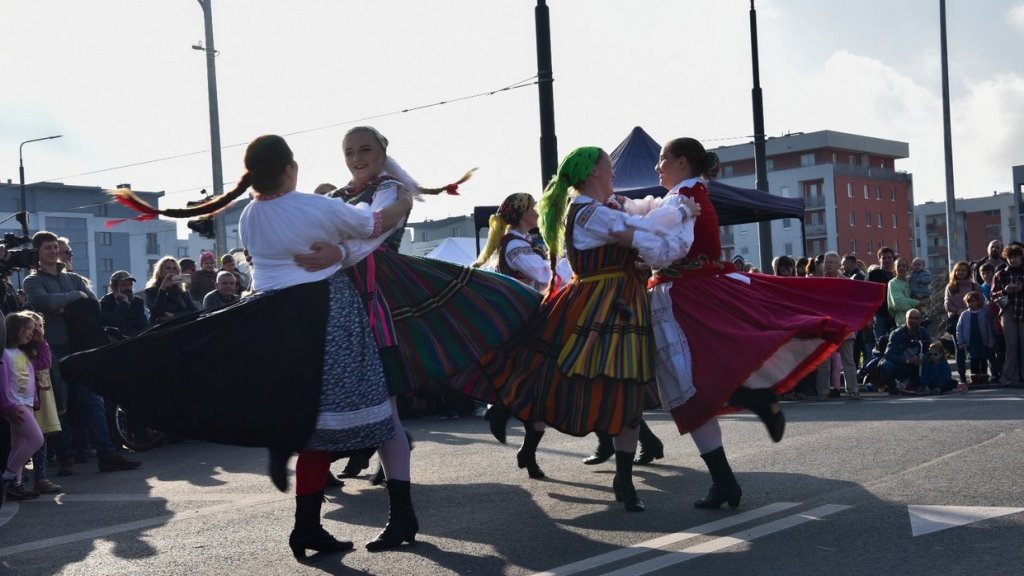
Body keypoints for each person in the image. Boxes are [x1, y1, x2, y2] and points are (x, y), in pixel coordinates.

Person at [62, 134, 417, 558]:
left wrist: (341, 246)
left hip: (273, 321)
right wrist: (403, 200)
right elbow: (374, 226)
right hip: (325, 317)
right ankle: (382, 514)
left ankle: (308, 525)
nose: (356, 159)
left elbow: (348, 236)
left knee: (312, 429)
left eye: (364, 152)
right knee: (366, 417)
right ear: (290, 169)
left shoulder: (251, 214)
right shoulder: (316, 205)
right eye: (350, 153)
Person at [454, 146, 699, 513]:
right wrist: (680, 209)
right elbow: (638, 229)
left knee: (628, 390)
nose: (612, 170)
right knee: (563, 379)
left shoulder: (608, 205)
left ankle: (624, 477)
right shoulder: (587, 212)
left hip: (624, 303)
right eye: (607, 165)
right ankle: (510, 409)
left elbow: (641, 214)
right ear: (590, 173)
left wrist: (671, 210)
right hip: (595, 306)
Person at [644, 137, 883, 509]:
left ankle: (728, 468)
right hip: (691, 292)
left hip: (687, 296)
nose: (657, 166)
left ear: (684, 162)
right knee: (699, 383)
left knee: (691, 387)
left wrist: (626, 235)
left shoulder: (682, 198)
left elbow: (662, 248)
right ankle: (731, 460)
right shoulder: (689, 194)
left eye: (663, 159)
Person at [22, 231, 140, 475]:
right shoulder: (32, 281)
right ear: (38, 252)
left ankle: (107, 455)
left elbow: (91, 304)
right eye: (48, 248)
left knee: (93, 402)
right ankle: (66, 457)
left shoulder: (74, 278)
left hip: (80, 346)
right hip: (52, 349)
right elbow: (44, 303)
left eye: (56, 247)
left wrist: (67, 303)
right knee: (60, 406)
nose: (53, 251)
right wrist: (75, 297)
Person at [2, 311, 51, 500]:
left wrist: (41, 340)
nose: (31, 332)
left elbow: (44, 363)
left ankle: (16, 485)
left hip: (27, 403)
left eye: (33, 329)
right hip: (15, 405)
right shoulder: (4, 354)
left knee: (19, 444)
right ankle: (7, 478)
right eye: (28, 329)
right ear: (16, 328)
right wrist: (7, 406)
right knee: (36, 440)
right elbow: (3, 382)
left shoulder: (24, 352)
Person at [944, 260, 980, 384]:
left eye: (963, 270)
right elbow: (947, 304)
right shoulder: (950, 286)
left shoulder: (974, 286)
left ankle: (976, 375)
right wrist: (959, 311)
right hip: (956, 320)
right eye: (958, 270)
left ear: (968, 272)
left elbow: (980, 301)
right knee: (959, 348)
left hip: (973, 318)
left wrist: (970, 310)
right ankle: (962, 376)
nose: (960, 272)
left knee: (974, 347)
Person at [879, 309, 930, 394]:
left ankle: (926, 385)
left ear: (920, 320)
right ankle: (892, 387)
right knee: (886, 365)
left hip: (918, 366)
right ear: (905, 319)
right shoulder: (896, 334)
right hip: (901, 366)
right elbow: (888, 354)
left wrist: (922, 358)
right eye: (910, 318)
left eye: (916, 318)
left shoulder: (923, 332)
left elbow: (931, 349)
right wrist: (906, 360)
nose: (913, 321)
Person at [144, 257, 199, 324]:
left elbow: (194, 311)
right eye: (168, 268)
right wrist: (163, 288)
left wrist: (175, 316)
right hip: (162, 329)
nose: (171, 271)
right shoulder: (151, 290)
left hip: (181, 326)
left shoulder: (181, 290)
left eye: (174, 268)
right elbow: (157, 312)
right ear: (160, 271)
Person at [956, 290, 993, 385]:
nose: (972, 303)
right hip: (970, 341)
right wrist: (960, 341)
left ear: (978, 301)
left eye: (974, 301)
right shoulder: (964, 314)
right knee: (973, 359)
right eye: (969, 302)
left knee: (983, 359)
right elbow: (959, 329)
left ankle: (984, 377)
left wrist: (990, 341)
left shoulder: (983, 313)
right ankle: (975, 378)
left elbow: (988, 327)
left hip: (982, 340)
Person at [99, 270, 148, 336]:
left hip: (135, 340)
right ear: (114, 287)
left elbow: (143, 325)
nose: (128, 288)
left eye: (130, 284)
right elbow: (113, 323)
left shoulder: (137, 301)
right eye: (123, 285)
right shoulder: (105, 302)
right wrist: (124, 304)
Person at [868, 247, 896, 340]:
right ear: (879, 259)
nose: (887, 260)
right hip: (879, 313)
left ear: (893, 258)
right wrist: (870, 316)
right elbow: (868, 296)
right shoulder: (874, 274)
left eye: (889, 257)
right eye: (884, 258)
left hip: (894, 314)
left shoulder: (897, 274)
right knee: (880, 343)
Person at [888, 257, 924, 328]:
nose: (901, 268)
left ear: (907, 267)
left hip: (919, 320)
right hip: (903, 321)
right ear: (894, 268)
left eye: (903, 266)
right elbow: (899, 303)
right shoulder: (893, 283)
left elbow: (924, 294)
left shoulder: (911, 281)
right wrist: (917, 302)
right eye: (898, 266)